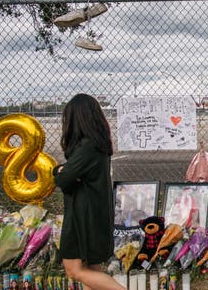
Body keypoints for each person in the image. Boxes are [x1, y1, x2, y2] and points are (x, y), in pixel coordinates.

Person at [53, 94, 123, 290]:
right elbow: (68, 173)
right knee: (91, 267)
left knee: (74, 269)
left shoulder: (87, 147)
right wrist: (62, 171)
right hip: (93, 211)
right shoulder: (96, 144)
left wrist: (60, 172)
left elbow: (65, 179)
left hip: (82, 216)